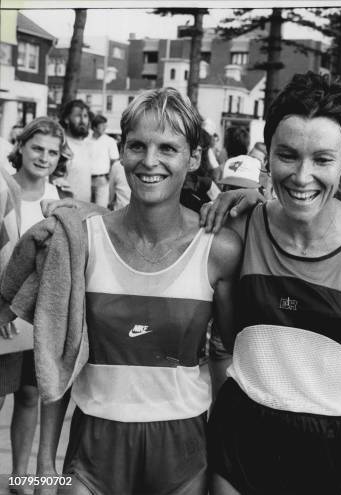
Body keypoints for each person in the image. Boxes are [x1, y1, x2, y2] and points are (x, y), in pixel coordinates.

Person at [31, 88, 243, 494]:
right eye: (137, 146)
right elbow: (56, 359)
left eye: (168, 148)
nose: (150, 161)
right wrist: (42, 469)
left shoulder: (219, 249)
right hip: (93, 449)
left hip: (184, 449)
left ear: (194, 158)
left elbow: (227, 353)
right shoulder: (82, 240)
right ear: (121, 151)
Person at [203, 72, 341, 495]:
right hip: (240, 436)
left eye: (322, 159)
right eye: (288, 155)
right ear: (268, 156)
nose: (301, 176)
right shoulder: (240, 228)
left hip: (329, 452)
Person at [0, 117, 71, 493]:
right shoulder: (2, 191)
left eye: (52, 151)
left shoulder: (60, 201)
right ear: (22, 147)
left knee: (30, 395)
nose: (44, 157)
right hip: (2, 317)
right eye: (37, 148)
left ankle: (20, 478)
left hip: (38, 316)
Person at [60, 99, 95, 202]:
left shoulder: (88, 145)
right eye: (78, 116)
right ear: (66, 119)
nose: (83, 121)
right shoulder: (61, 145)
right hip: (64, 209)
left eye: (85, 116)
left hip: (84, 209)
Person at [89, 114, 120, 208]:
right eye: (102, 125)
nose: (105, 127)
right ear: (94, 127)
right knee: (83, 209)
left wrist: (109, 178)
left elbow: (114, 161)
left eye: (105, 125)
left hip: (102, 180)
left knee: (100, 210)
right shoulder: (85, 140)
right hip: (85, 179)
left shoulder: (110, 141)